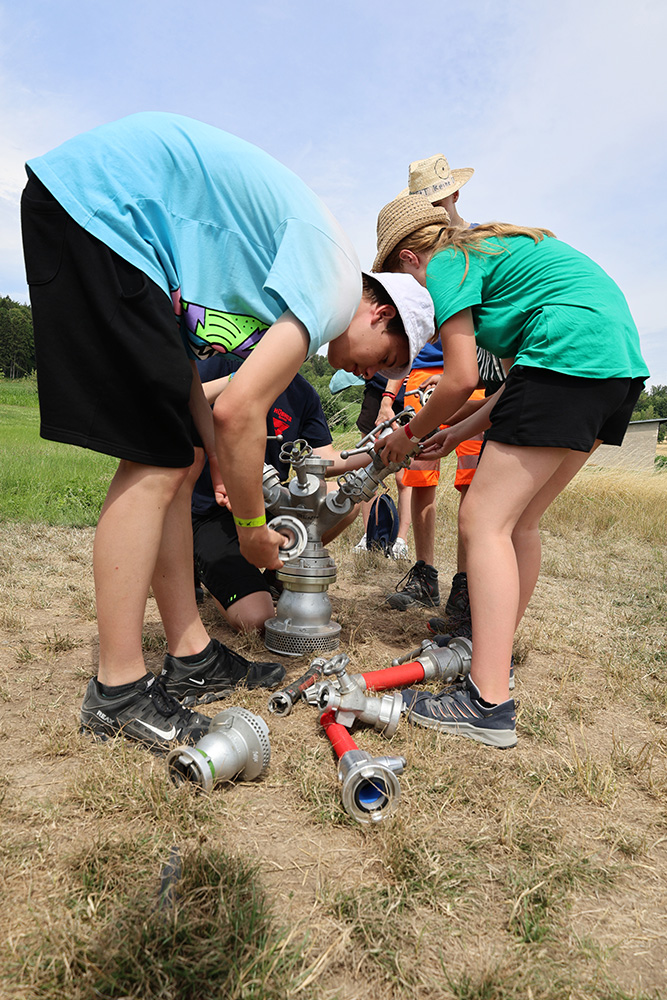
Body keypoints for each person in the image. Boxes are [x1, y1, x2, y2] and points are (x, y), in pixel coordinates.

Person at [20, 112, 435, 750]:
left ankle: (191, 654)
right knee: (154, 462)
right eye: (382, 359)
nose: (365, 372)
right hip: (101, 214)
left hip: (119, 224)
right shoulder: (329, 287)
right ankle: (118, 690)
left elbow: (196, 389)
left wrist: (210, 458)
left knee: (175, 457)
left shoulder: (282, 281)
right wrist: (249, 532)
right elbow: (240, 409)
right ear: (379, 314)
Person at [372, 194, 648, 748]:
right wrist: (456, 431)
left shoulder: (448, 261)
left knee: (483, 520)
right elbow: (514, 380)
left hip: (568, 355)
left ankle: (487, 701)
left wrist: (409, 435)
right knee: (520, 522)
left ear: (408, 257)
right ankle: (488, 652)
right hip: (614, 366)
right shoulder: (490, 251)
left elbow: (456, 377)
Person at [382, 155, 505, 621]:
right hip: (433, 377)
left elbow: (490, 343)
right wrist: (394, 399)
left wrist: (465, 377)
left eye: (439, 196)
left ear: (454, 195)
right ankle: (425, 571)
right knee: (419, 474)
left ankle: (468, 585)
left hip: (476, 375)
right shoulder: (430, 256)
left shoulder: (464, 252)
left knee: (477, 486)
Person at [191, 353, 363, 632]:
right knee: (256, 620)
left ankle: (276, 575)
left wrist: (380, 451)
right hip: (211, 511)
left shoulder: (302, 391)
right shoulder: (219, 363)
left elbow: (326, 457)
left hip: (266, 501)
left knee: (345, 499)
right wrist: (242, 379)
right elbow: (183, 398)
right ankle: (205, 565)